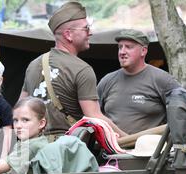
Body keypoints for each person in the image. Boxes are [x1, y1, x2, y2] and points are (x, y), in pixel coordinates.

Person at [20, 1, 127, 138]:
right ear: (68, 34)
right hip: (67, 151)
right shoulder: (82, 69)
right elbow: (94, 116)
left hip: (33, 148)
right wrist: (128, 139)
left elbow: (21, 108)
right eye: (86, 28)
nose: (91, 33)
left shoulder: (33, 65)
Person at [97, 29, 181, 134]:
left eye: (128, 47)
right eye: (120, 47)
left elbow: (184, 113)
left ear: (143, 51)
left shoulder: (162, 79)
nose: (122, 52)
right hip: (111, 148)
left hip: (150, 149)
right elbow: (94, 116)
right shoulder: (107, 81)